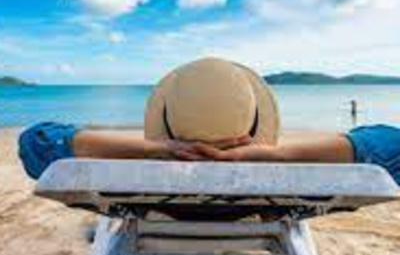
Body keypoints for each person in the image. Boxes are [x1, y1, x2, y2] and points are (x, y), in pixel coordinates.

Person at [18, 58, 400, 186]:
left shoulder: (151, 168)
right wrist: (277, 154)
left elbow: (36, 140)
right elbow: (392, 145)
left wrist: (157, 149)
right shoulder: (268, 174)